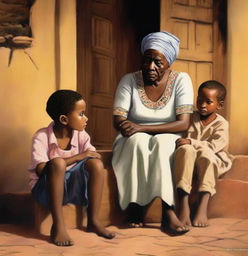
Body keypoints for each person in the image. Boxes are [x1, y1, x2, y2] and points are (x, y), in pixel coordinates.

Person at [112, 31, 194, 235]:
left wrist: (141, 127)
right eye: (146, 60)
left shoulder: (181, 80)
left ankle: (168, 210)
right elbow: (119, 119)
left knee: (163, 144)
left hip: (168, 134)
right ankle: (135, 206)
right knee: (137, 142)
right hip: (132, 137)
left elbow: (183, 124)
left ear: (168, 62)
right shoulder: (129, 80)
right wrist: (130, 127)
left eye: (157, 62)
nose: (150, 67)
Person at [28, 90, 115, 246]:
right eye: (81, 114)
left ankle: (93, 220)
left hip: (72, 188)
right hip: (46, 190)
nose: (86, 118)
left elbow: (94, 156)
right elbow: (41, 169)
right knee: (57, 163)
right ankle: (58, 225)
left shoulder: (82, 135)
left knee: (96, 164)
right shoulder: (42, 136)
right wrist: (77, 157)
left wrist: (89, 157)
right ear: (64, 119)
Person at [173, 80, 233, 227]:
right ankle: (184, 204)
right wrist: (188, 144)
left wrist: (192, 142)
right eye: (199, 99)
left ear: (219, 105)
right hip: (189, 158)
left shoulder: (222, 124)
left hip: (212, 157)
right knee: (186, 150)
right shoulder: (190, 117)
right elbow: (181, 140)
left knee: (207, 155)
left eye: (208, 101)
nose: (202, 105)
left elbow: (214, 146)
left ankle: (202, 207)